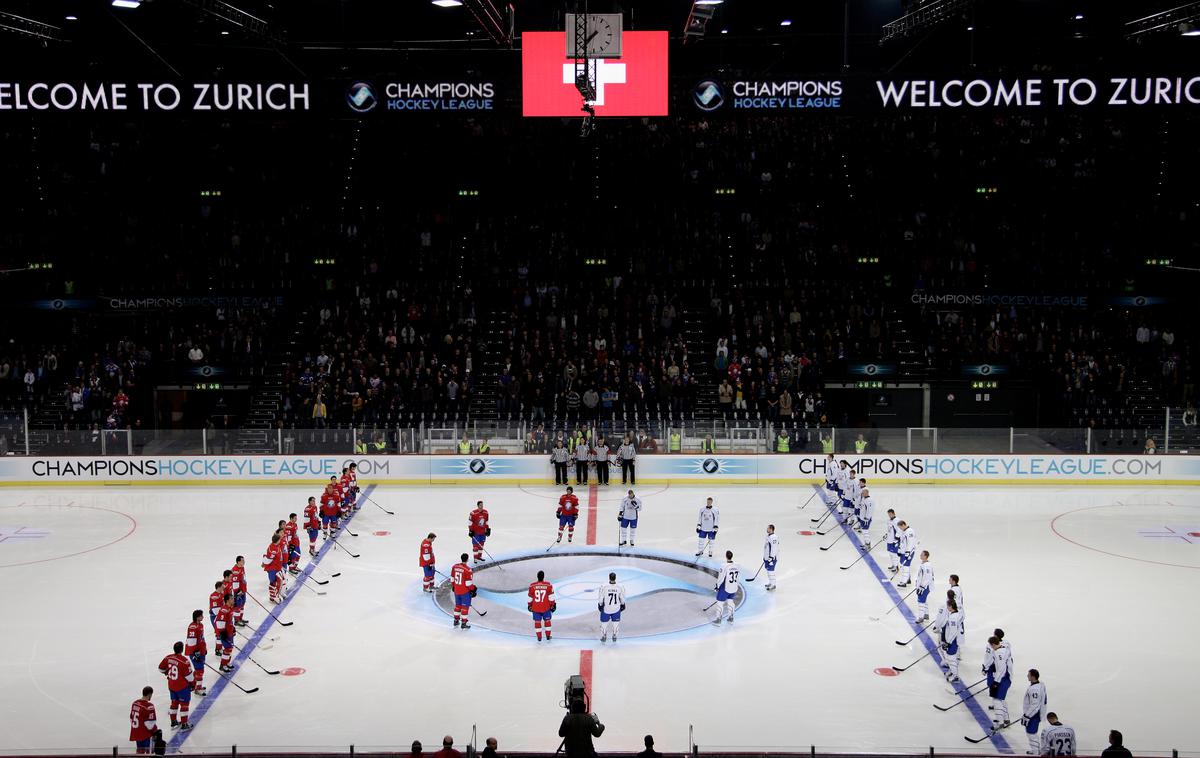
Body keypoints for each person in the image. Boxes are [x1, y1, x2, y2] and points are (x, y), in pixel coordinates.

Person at [157, 641, 195, 730]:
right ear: (182, 649)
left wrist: (167, 673)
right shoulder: (184, 661)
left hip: (171, 686)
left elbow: (160, 669)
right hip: (182, 687)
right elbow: (190, 677)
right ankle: (184, 724)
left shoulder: (168, 657)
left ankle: (173, 722)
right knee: (184, 705)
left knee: (174, 703)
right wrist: (193, 684)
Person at [983, 634, 1014, 727]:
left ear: (993, 644)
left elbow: (1001, 669)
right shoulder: (1003, 649)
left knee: (996, 700)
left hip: (1003, 679)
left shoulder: (999, 653)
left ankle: (1000, 723)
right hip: (1005, 678)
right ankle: (1006, 719)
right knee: (1001, 699)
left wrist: (996, 682)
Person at [936, 596, 963, 682]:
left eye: (948, 606)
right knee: (950, 657)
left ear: (951, 606)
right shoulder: (955, 615)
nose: (947, 607)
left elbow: (953, 632)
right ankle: (951, 671)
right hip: (951, 641)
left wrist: (948, 642)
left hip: (952, 641)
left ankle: (955, 676)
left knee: (951, 658)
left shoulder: (953, 618)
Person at [1021, 669, 1048, 755]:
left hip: (1033, 715)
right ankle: (1035, 749)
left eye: (1028, 675)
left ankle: (1036, 753)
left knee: (1031, 734)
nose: (1027, 676)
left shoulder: (1034, 689)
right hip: (1035, 714)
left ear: (1033, 677)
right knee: (1032, 734)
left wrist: (1027, 716)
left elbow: (1035, 705)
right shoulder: (1040, 684)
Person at [712, 550, 741, 625]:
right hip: (734, 587)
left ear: (726, 556)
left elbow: (721, 577)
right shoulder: (737, 565)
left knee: (720, 603)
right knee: (730, 601)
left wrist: (717, 586)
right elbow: (738, 577)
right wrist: (736, 585)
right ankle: (731, 618)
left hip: (725, 587)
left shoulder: (724, 566)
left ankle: (718, 620)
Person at [528, 570, 557, 642]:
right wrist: (553, 605)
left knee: (537, 622)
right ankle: (548, 636)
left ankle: (539, 638)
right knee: (547, 621)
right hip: (546, 607)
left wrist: (529, 605)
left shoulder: (532, 586)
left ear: (537, 577)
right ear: (543, 577)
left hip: (536, 608)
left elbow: (530, 598)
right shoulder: (548, 585)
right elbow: (551, 597)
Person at [184, 609, 208, 696]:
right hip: (195, 652)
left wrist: (204, 648)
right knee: (200, 670)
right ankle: (197, 689)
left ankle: (194, 684)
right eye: (201, 615)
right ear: (197, 617)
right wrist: (195, 653)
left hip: (200, 651)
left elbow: (201, 638)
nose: (203, 617)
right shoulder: (193, 627)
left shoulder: (200, 625)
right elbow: (191, 641)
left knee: (199, 670)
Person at [598, 571, 626, 643]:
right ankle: (614, 636)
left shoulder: (604, 586)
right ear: (615, 578)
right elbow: (622, 598)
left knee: (604, 624)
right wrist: (623, 604)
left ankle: (604, 636)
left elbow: (601, 598)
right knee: (615, 624)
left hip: (606, 609)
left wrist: (600, 605)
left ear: (609, 578)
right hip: (616, 609)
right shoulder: (620, 586)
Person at [129, 686, 159, 754]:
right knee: (148, 753)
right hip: (146, 734)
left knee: (140, 752)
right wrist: (155, 730)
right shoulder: (149, 706)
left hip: (136, 732)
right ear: (149, 694)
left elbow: (131, 717)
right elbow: (149, 725)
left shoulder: (135, 703)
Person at [450, 553, 476, 630]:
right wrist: (473, 589)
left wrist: (454, 586)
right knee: (465, 607)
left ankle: (456, 620)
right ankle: (464, 623)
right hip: (464, 592)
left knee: (458, 605)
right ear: (467, 559)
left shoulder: (455, 567)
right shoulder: (468, 570)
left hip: (457, 590)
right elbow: (468, 584)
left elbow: (452, 579)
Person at [214, 593, 236, 672]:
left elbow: (229, 621)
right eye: (232, 599)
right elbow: (219, 622)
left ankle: (227, 662)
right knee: (228, 648)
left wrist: (233, 628)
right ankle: (222, 665)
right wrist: (222, 633)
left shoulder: (230, 608)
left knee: (230, 648)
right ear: (227, 600)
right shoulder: (224, 610)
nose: (233, 600)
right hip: (225, 633)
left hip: (229, 632)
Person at [262, 533, 285, 603]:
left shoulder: (276, 545)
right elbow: (268, 559)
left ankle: (276, 594)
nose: (280, 540)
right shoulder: (273, 549)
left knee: (280, 580)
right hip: (273, 569)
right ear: (277, 540)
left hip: (277, 567)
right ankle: (273, 596)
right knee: (273, 582)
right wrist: (264, 563)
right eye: (279, 539)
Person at [896, 520, 918, 587]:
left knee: (905, 566)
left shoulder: (910, 531)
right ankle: (908, 579)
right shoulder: (904, 531)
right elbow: (902, 542)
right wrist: (899, 550)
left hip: (908, 552)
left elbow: (910, 543)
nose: (900, 529)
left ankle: (904, 582)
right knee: (903, 565)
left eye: (900, 527)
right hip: (903, 552)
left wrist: (908, 552)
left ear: (903, 525)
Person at [914, 550, 934, 622]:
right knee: (924, 600)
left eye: (922, 555)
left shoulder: (927, 566)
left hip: (925, 587)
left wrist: (921, 587)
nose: (920, 555)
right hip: (922, 586)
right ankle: (926, 614)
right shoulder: (923, 564)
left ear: (925, 556)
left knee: (921, 601)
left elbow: (927, 578)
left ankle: (921, 617)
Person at [230, 556, 248, 627]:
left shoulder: (242, 568)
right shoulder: (235, 570)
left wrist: (244, 588)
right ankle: (237, 621)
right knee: (238, 605)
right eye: (242, 561)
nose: (244, 562)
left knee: (242, 605)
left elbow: (243, 579)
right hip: (238, 592)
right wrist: (238, 592)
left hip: (243, 590)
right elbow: (234, 583)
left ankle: (240, 618)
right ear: (238, 562)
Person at [762, 524, 780, 591]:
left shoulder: (774, 537)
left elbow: (774, 548)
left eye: (768, 528)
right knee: (768, 570)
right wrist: (765, 557)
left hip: (772, 558)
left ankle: (773, 584)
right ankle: (770, 582)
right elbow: (767, 547)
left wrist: (771, 557)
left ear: (771, 529)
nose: (767, 529)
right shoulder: (768, 536)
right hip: (767, 557)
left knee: (771, 571)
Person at [884, 508, 900, 573]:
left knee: (894, 554)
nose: (889, 515)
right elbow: (889, 530)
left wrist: (896, 538)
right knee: (890, 553)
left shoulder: (897, 521)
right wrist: (886, 535)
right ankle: (893, 565)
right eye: (888, 514)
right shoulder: (889, 521)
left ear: (894, 513)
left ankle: (896, 567)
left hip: (894, 541)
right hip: (889, 540)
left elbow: (899, 530)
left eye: (890, 514)